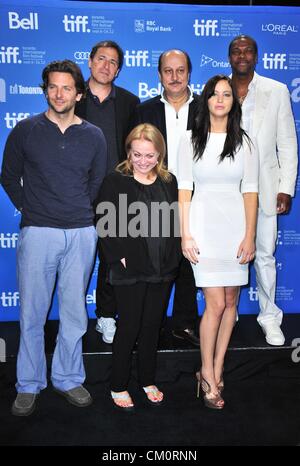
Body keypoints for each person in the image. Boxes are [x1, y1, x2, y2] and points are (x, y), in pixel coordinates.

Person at [1, 59, 107, 416]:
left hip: (80, 232)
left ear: (79, 93)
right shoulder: (25, 130)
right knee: (32, 313)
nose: (59, 94)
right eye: (53, 87)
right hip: (38, 232)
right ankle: (29, 384)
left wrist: (79, 211)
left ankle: (67, 377)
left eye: (66, 88)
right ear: (45, 90)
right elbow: (9, 175)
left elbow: (96, 183)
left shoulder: (93, 135)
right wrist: (31, 208)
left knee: (75, 312)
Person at [177, 75, 258, 409]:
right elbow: (184, 191)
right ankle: (207, 372)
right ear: (206, 100)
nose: (221, 99)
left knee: (230, 302)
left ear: (233, 102)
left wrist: (250, 235)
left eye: (227, 94)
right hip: (204, 226)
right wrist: (186, 234)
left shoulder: (246, 142)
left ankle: (217, 365)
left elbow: (251, 191)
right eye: (215, 94)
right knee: (214, 303)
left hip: (236, 228)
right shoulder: (190, 140)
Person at [96, 123, 181, 410]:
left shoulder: (169, 181)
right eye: (137, 155)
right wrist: (118, 257)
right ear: (128, 153)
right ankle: (118, 384)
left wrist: (173, 259)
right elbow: (104, 222)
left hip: (162, 269)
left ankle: (147, 379)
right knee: (129, 326)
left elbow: (175, 223)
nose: (143, 162)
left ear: (160, 155)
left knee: (152, 326)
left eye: (150, 156)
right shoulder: (115, 181)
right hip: (129, 269)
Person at [228, 35, 298, 345]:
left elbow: (287, 142)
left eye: (248, 50)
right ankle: (227, 316)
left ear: (256, 56)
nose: (242, 55)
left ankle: (270, 317)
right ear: (229, 57)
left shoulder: (276, 90)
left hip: (266, 187)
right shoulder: (218, 89)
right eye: (236, 51)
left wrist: (286, 187)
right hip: (227, 189)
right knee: (228, 255)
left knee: (266, 255)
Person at [132, 49, 200, 346]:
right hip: (153, 194)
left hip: (196, 194)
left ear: (189, 73)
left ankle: (184, 323)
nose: (174, 77)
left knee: (188, 262)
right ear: (159, 75)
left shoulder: (205, 109)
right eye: (168, 71)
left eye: (180, 70)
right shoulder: (144, 110)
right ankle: (152, 324)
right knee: (154, 261)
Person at [75, 40, 140, 345]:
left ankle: (105, 316)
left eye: (113, 62)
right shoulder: (72, 97)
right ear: (89, 62)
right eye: (101, 59)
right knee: (76, 259)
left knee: (113, 258)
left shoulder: (129, 102)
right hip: (76, 193)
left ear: (118, 69)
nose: (106, 66)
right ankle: (73, 318)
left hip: (117, 194)